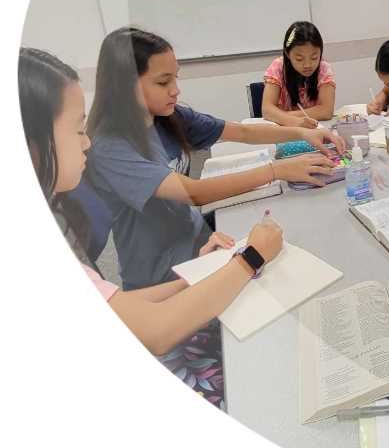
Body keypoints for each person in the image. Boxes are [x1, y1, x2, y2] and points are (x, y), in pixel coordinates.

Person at [19, 47, 282, 409]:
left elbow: (112, 302)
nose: (86, 142)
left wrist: (197, 275)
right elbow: (157, 331)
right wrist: (250, 257)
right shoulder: (110, 147)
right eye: (78, 130)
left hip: (172, 273)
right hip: (153, 285)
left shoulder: (168, 119)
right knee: (260, 378)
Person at [86, 27, 344, 290]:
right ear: (125, 87)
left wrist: (302, 132)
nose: (175, 91)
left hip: (199, 237)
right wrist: (277, 170)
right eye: (163, 82)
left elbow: (242, 131)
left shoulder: (169, 116)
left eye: (175, 79)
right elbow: (194, 193)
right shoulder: (110, 148)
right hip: (161, 275)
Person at [262, 21, 335, 127]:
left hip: (314, 129)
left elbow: (326, 111)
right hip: (285, 131)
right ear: (288, 54)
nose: (308, 65)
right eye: (299, 59)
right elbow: (267, 109)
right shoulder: (278, 67)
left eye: (314, 57)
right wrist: (295, 121)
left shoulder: (323, 69)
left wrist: (285, 115)